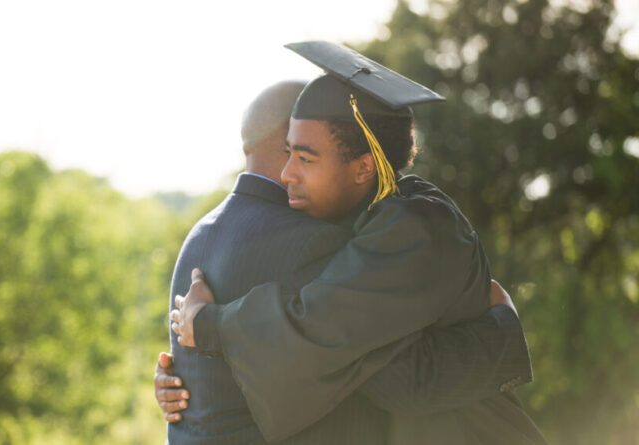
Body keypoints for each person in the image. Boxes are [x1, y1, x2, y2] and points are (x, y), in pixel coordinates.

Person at [170, 41, 546, 444]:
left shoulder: (416, 225)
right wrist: (188, 375)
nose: (287, 173)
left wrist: (210, 325)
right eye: (289, 153)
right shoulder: (368, 219)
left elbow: (364, 354)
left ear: (364, 166)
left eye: (305, 158)